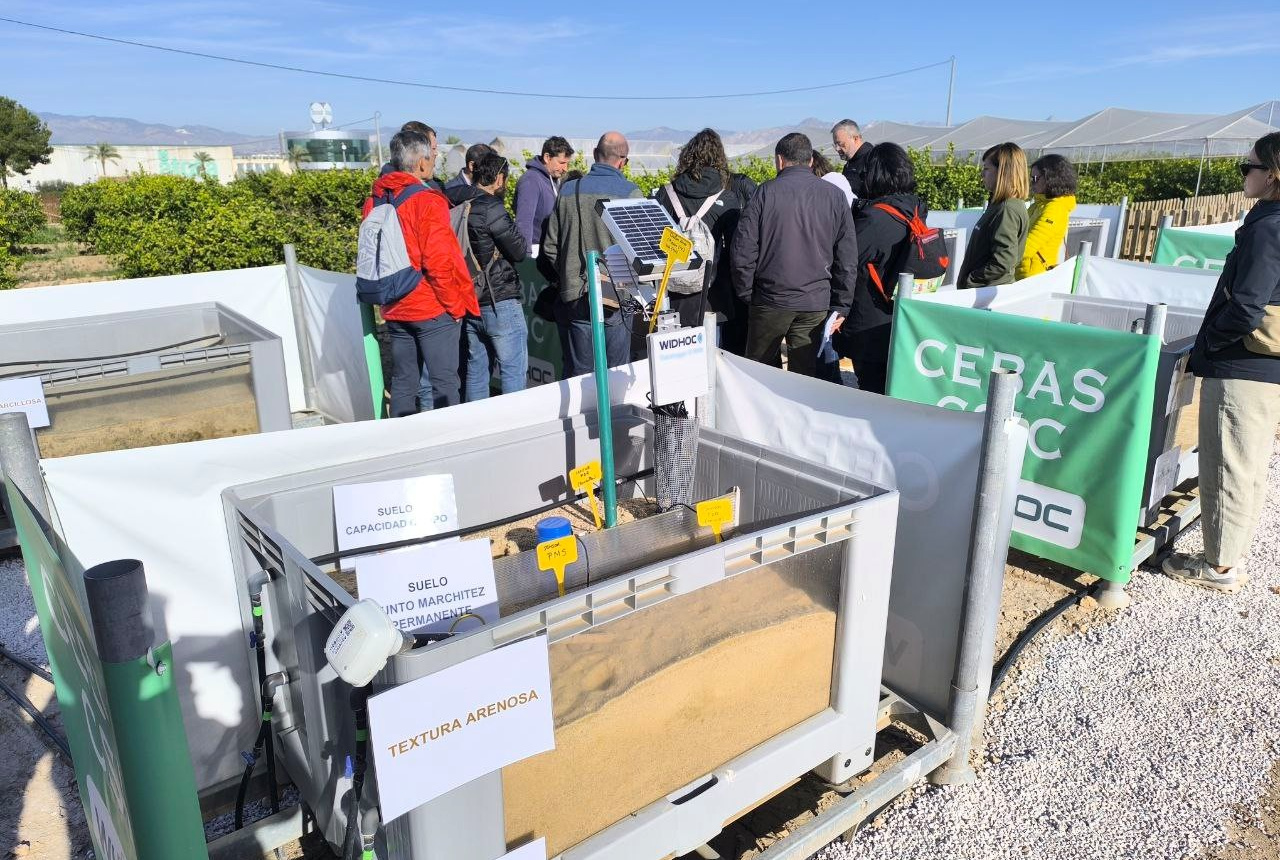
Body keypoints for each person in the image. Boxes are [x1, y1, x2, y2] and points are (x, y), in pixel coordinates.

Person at [1163, 132, 1280, 593]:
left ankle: (1219, 566)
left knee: (1229, 464)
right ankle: (1228, 556)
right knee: (1249, 463)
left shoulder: (1269, 228)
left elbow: (1246, 307)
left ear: (1272, 174)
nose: (1242, 175)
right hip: (1265, 369)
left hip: (1242, 367)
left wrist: (1207, 343)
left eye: (1246, 167)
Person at [362, 130, 478, 416]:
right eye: (433, 155)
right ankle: (446, 446)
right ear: (422, 162)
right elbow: (439, 261)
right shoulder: (427, 200)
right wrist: (454, 306)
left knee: (403, 381)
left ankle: (403, 443)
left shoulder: (376, 199)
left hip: (395, 304)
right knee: (445, 384)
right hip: (431, 307)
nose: (435, 160)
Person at [731, 133, 857, 377]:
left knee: (761, 372)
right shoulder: (834, 196)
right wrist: (841, 304)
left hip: (770, 299)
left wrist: (747, 292)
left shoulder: (765, 193)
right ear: (811, 161)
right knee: (806, 374)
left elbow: (743, 249)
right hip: (815, 303)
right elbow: (847, 256)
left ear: (779, 160)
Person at [541, 132, 642, 376]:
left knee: (581, 376)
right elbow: (640, 252)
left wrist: (570, 273)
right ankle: (612, 416)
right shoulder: (631, 193)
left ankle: (584, 416)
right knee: (616, 374)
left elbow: (550, 247)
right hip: (618, 296)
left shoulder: (567, 191)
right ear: (623, 161)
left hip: (576, 294)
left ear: (596, 156)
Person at [832, 143, 926, 394]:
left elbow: (847, 259)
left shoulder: (876, 218)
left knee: (872, 389)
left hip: (871, 321)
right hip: (900, 314)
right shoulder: (915, 208)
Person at [445, 153, 529, 401]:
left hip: (469, 297)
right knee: (513, 370)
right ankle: (515, 429)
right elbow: (519, 250)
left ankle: (478, 430)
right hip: (498, 298)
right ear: (499, 178)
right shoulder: (492, 208)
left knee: (476, 370)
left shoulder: (454, 200)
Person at [653, 128, 746, 329]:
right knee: (713, 353)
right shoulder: (726, 198)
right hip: (713, 293)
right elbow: (735, 247)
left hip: (673, 291)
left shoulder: (665, 193)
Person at [956, 142, 1029, 288]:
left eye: (986, 168)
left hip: (985, 292)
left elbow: (1003, 262)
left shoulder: (1007, 209)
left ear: (1003, 171)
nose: (982, 174)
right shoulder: (1000, 205)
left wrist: (971, 280)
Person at [1017, 154, 1078, 279]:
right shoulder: (1039, 204)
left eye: (1035, 178)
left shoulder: (1055, 209)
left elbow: (1027, 247)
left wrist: (997, 260)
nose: (1031, 182)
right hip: (1023, 275)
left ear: (1050, 178)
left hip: (1033, 278)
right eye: (1031, 178)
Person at [514, 136, 574, 248]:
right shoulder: (531, 181)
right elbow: (523, 222)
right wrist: (526, 258)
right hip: (535, 251)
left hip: (548, 250)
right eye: (561, 162)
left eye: (567, 164)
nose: (565, 168)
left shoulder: (554, 179)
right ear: (547, 157)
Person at [832, 119, 872, 199]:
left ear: (855, 138)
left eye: (840, 144)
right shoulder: (850, 163)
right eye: (835, 145)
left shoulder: (873, 160)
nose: (837, 148)